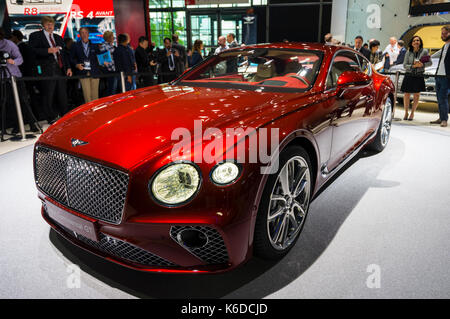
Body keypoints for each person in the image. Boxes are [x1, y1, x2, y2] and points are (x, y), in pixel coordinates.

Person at [29, 16, 72, 124]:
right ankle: (50, 117)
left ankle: (65, 115)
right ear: (43, 25)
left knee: (62, 95)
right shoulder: (35, 36)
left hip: (59, 70)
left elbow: (64, 55)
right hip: (46, 71)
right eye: (47, 24)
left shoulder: (58, 37)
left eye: (51, 24)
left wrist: (68, 68)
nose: (50, 26)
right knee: (48, 95)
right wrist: (47, 50)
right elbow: (31, 51)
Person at [0, 27, 39, 134]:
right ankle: (17, 126)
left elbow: (20, 59)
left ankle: (32, 124)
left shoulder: (9, 44)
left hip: (15, 76)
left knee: (23, 101)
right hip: (3, 78)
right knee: (10, 103)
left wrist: (12, 61)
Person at [401, 35, 432, 121]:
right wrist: (413, 66)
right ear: (411, 43)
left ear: (420, 42)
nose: (416, 42)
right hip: (409, 75)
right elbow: (404, 65)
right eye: (414, 41)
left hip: (419, 75)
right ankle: (406, 112)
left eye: (418, 40)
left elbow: (430, 63)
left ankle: (412, 113)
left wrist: (422, 65)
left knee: (416, 95)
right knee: (406, 94)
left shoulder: (425, 51)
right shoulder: (408, 52)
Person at [71, 27, 101, 103]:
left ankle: (96, 112)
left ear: (88, 34)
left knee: (95, 96)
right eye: (82, 33)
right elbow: (72, 58)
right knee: (87, 96)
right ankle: (90, 113)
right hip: (83, 72)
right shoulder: (75, 46)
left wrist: (103, 62)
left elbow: (100, 57)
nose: (84, 34)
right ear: (79, 35)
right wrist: (76, 65)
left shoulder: (95, 46)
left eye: (85, 33)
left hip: (94, 72)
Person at [431, 26, 450, 127]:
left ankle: (444, 120)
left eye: (445, 33)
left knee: (443, 98)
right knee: (439, 98)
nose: (443, 35)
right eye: (442, 33)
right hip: (438, 75)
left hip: (446, 77)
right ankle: (441, 117)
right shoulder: (444, 46)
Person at [99, 31, 119, 96]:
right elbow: (104, 60)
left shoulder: (111, 45)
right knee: (111, 89)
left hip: (113, 70)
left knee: (114, 89)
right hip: (110, 70)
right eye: (112, 36)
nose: (113, 38)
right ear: (109, 37)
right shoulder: (104, 46)